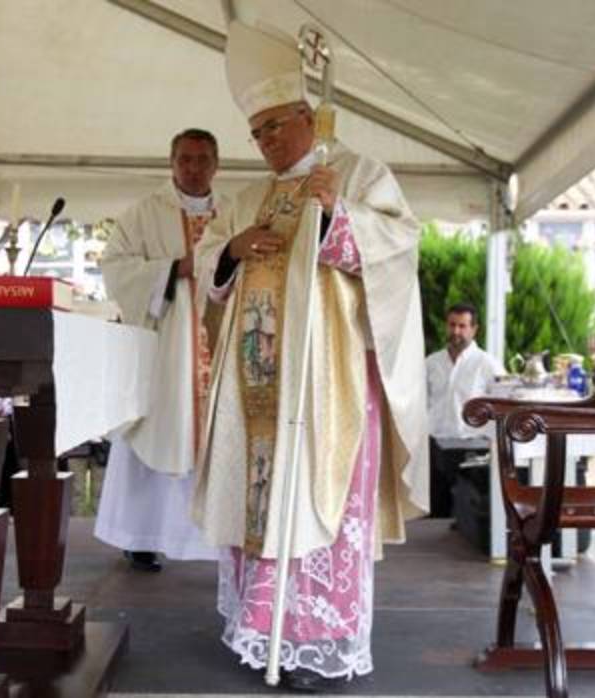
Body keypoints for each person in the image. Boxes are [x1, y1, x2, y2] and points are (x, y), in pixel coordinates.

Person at [193, 21, 428, 691]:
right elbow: (211, 256)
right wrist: (233, 250)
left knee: (318, 507)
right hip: (256, 390)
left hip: (330, 389)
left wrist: (337, 215)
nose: (265, 142)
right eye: (256, 133)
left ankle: (314, 639)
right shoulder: (244, 195)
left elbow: (399, 248)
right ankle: (256, 628)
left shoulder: (357, 173)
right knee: (260, 502)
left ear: (306, 116)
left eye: (274, 127)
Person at [93, 128, 227, 571]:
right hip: (166, 347)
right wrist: (175, 270)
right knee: (154, 435)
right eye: (185, 159)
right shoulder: (145, 214)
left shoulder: (232, 213)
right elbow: (114, 266)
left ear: (216, 164)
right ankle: (141, 535)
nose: (194, 168)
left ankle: (215, 538)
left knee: (215, 437)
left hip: (218, 345)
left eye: (203, 159)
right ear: (171, 163)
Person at [425, 303, 503, 517]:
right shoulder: (431, 362)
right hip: (436, 447)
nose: (456, 331)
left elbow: (501, 406)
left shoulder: (487, 364)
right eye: (452, 325)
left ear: (474, 329)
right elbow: (421, 403)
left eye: (462, 326)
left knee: (469, 514)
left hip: (472, 447)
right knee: (436, 514)